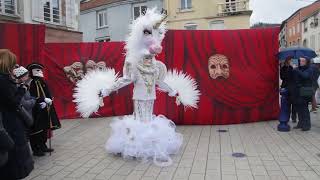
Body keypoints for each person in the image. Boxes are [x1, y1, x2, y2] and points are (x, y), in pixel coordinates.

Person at [0, 49, 34, 179]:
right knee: (13, 159)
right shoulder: (3, 80)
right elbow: (13, 102)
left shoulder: (4, 79)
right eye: (13, 63)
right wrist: (22, 89)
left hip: (9, 121)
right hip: (9, 123)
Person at [27, 63, 61, 156]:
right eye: (37, 70)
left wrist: (49, 99)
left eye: (40, 70)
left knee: (44, 128)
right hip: (35, 110)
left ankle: (43, 145)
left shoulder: (42, 81)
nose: (40, 72)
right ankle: (36, 148)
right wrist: (41, 100)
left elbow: (47, 92)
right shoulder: (30, 82)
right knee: (36, 129)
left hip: (45, 108)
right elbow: (30, 96)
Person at [292, 57, 313, 131]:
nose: (301, 62)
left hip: (305, 92)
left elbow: (305, 76)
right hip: (298, 92)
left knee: (304, 109)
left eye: (303, 61)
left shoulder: (309, 69)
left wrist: (297, 70)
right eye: (300, 61)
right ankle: (301, 123)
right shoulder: (300, 69)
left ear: (307, 62)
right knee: (299, 109)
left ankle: (307, 125)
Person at [280, 56, 297, 122]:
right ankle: (287, 116)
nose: (290, 61)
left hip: (292, 87)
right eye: (289, 60)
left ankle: (294, 117)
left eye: (291, 60)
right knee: (287, 103)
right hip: (285, 87)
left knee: (293, 103)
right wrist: (288, 71)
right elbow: (282, 77)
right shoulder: (283, 68)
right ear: (287, 61)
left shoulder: (291, 68)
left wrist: (293, 69)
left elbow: (293, 77)